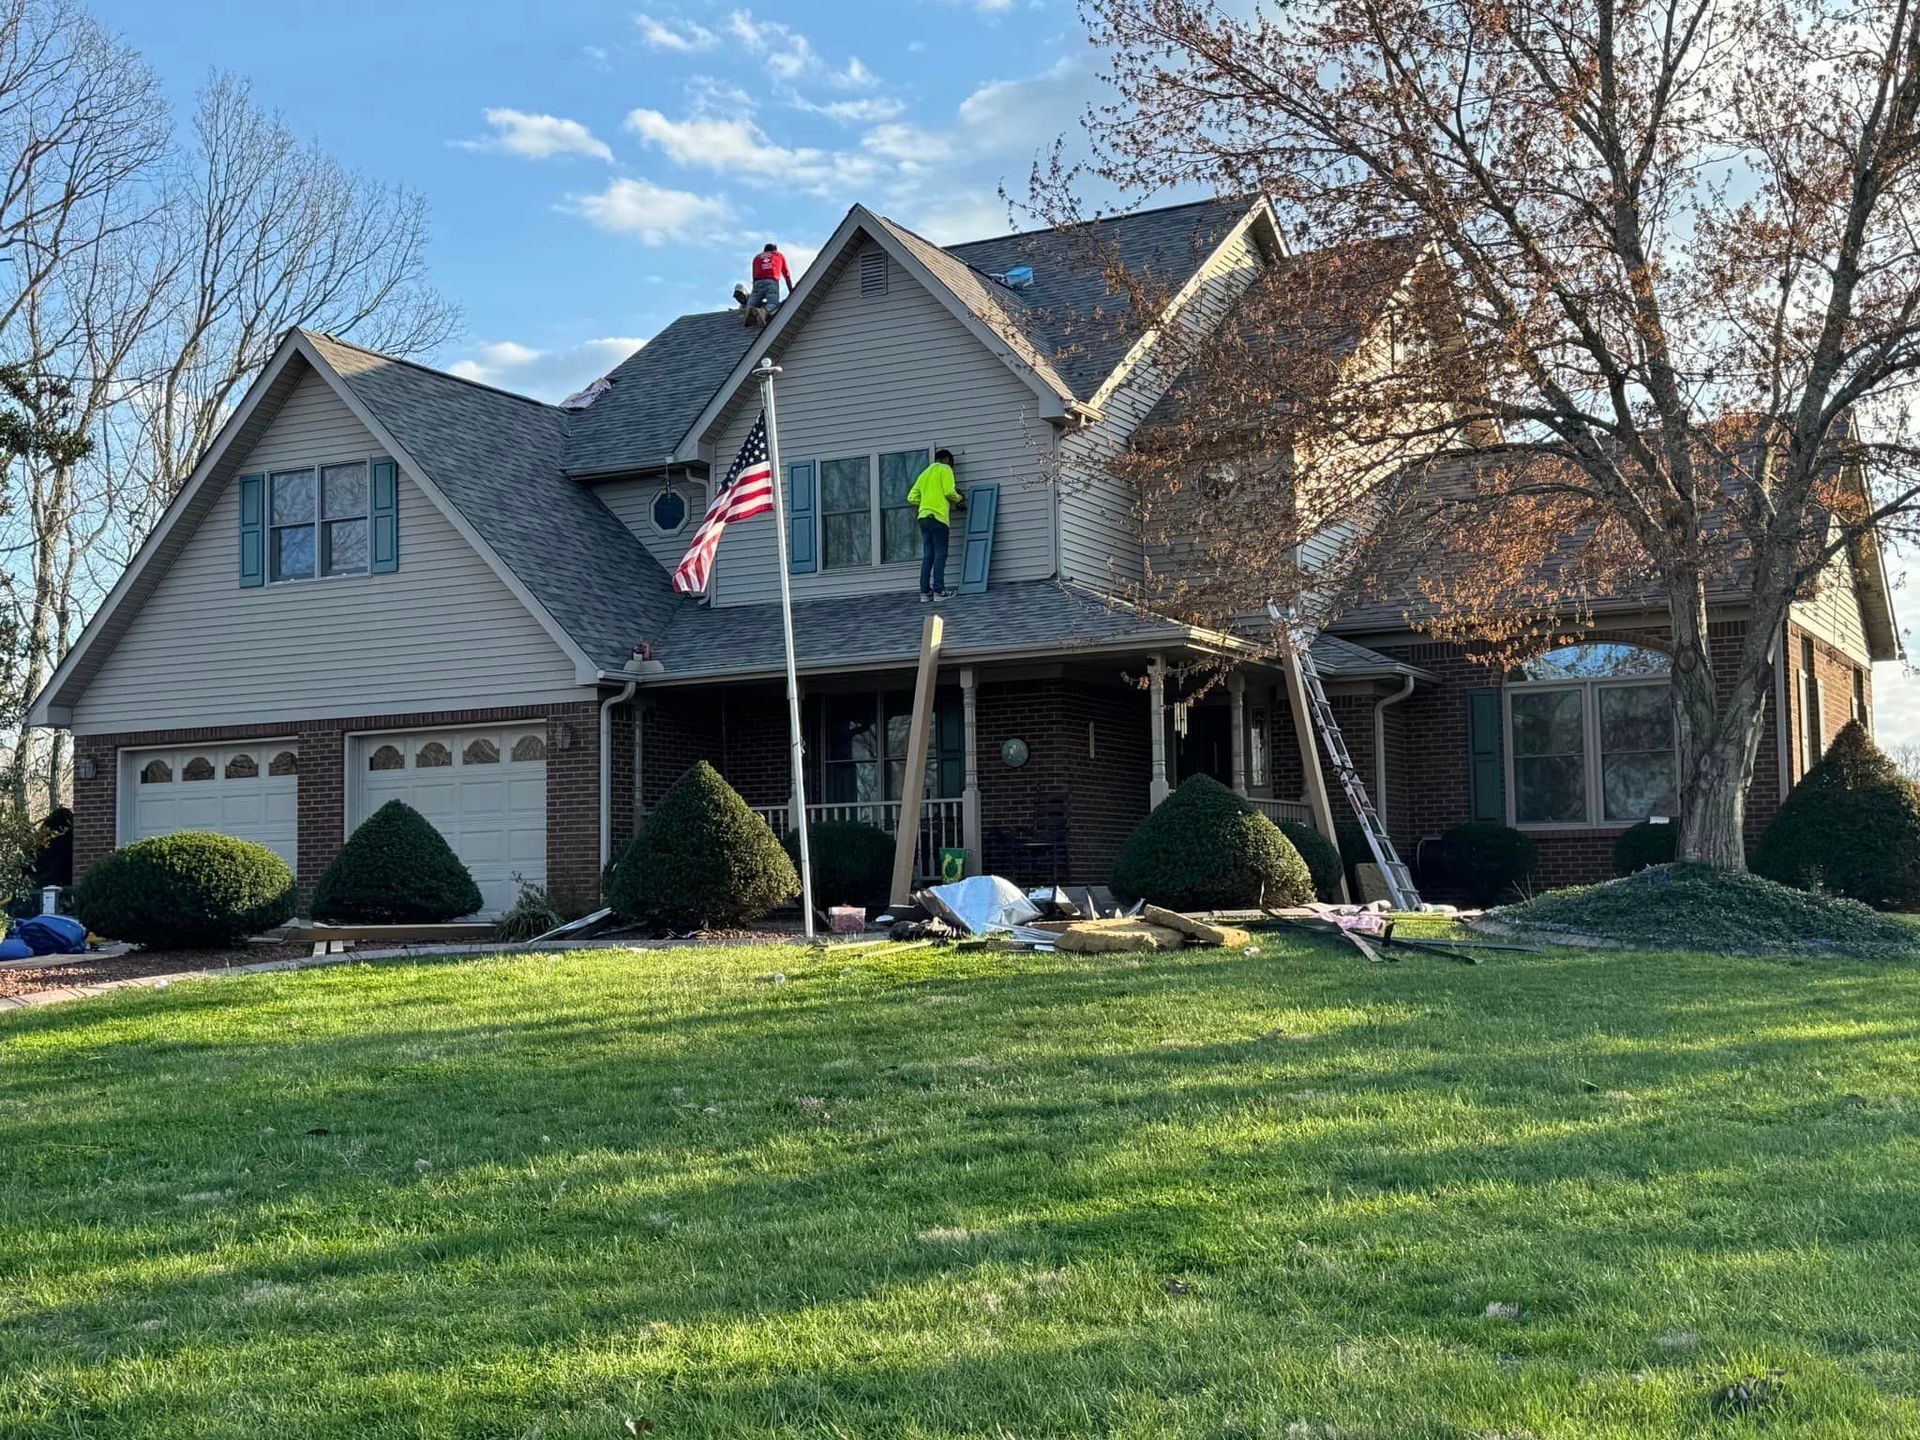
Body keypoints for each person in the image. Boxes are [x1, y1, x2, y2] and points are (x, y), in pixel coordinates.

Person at [906, 449, 964, 601]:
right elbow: (949, 492)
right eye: (952, 465)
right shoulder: (945, 469)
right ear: (946, 460)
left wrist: (926, 503)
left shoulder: (924, 473)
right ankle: (939, 591)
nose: (952, 468)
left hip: (923, 517)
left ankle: (925, 592)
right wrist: (959, 499)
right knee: (940, 553)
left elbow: (911, 497)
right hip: (938, 517)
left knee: (928, 555)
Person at [749, 243, 793, 312]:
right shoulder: (778, 255)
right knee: (773, 305)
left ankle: (748, 315)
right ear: (775, 250)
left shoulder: (757, 257)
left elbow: (754, 275)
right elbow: (786, 274)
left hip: (757, 283)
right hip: (771, 282)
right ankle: (762, 313)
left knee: (750, 307)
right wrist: (791, 290)